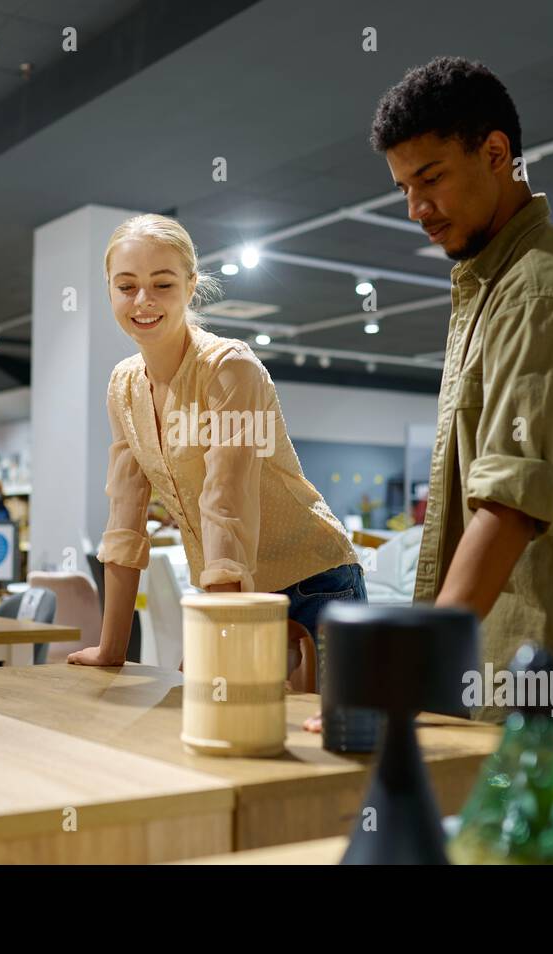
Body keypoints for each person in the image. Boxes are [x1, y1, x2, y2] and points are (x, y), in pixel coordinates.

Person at [369, 56, 553, 782]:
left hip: (538, 674)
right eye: (404, 188)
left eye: (430, 178)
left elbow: (510, 502)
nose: (416, 207)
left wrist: (413, 672)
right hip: (496, 663)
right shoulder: (493, 288)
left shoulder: (544, 292)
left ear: (495, 154)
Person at [67, 214, 364, 674]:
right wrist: (112, 651)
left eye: (162, 284)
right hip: (231, 591)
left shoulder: (229, 368)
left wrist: (219, 639)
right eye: (126, 286)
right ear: (109, 289)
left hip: (312, 585)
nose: (143, 301)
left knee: (321, 743)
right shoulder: (124, 385)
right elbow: (125, 519)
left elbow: (227, 505)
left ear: (190, 286)